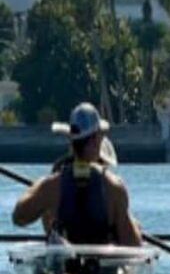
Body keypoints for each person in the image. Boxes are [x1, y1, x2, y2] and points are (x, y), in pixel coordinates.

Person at [12, 103, 142, 246]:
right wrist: (132, 223)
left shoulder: (51, 186)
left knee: (48, 215)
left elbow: (18, 217)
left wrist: (40, 186)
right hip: (102, 260)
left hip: (64, 260)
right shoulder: (114, 187)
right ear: (94, 140)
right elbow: (133, 246)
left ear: (71, 141)